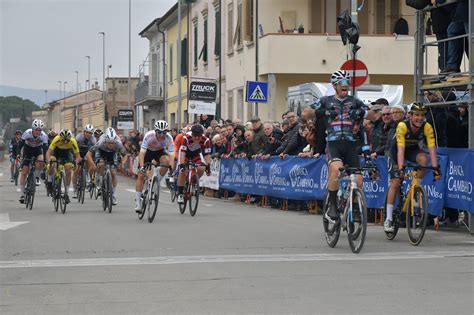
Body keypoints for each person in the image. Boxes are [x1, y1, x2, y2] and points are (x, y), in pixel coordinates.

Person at [314, 70, 376, 225]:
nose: (345, 86)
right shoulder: (325, 100)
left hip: (350, 144)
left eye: (347, 83)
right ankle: (333, 206)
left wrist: (361, 112)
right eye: (342, 84)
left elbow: (374, 116)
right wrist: (324, 111)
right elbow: (307, 113)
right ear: (334, 86)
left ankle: (354, 207)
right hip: (333, 143)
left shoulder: (354, 101)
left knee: (359, 179)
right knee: (336, 169)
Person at [384, 103, 441, 232]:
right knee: (396, 182)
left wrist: (435, 167)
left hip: (413, 150)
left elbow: (432, 148)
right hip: (395, 151)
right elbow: (400, 150)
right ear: (410, 115)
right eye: (416, 115)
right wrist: (400, 168)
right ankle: (388, 219)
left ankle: (415, 187)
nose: (420, 118)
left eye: (422, 115)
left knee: (424, 159)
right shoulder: (403, 126)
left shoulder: (427, 126)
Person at [134, 120, 173, 212]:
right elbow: (142, 153)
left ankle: (156, 182)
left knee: (166, 162)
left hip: (159, 151)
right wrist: (142, 166)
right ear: (155, 131)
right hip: (147, 151)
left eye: (164, 132)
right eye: (159, 132)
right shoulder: (149, 136)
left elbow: (171, 154)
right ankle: (138, 202)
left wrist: (171, 167)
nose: (161, 135)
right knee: (141, 175)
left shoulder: (169, 138)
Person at [86, 127, 125, 205]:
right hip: (101, 152)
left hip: (112, 153)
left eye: (112, 143)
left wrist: (122, 164)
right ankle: (100, 182)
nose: (111, 145)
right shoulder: (100, 142)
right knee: (101, 163)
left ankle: (113, 195)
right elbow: (88, 155)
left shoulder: (118, 143)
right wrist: (93, 165)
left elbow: (125, 155)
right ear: (105, 141)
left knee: (113, 173)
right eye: (109, 143)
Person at [176, 124, 211, 204]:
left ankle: (194, 181)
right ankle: (180, 193)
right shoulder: (186, 138)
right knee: (182, 171)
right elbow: (183, 152)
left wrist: (208, 167)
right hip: (185, 154)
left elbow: (207, 155)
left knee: (202, 167)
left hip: (196, 154)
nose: (197, 138)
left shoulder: (206, 140)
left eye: (199, 136)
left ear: (202, 134)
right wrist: (182, 165)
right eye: (195, 136)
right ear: (192, 134)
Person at [46, 129, 81, 204]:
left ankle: (66, 193)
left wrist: (75, 163)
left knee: (68, 170)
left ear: (70, 138)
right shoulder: (56, 139)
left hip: (67, 153)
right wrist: (49, 161)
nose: (65, 142)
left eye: (67, 140)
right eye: (63, 140)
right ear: (60, 137)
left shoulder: (73, 141)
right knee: (52, 163)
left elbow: (78, 156)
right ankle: (49, 181)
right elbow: (49, 152)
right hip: (56, 152)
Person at [18, 120, 48, 203]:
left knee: (41, 160)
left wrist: (45, 160)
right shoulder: (27, 133)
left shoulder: (43, 136)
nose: (38, 132)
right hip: (27, 150)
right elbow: (20, 145)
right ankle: (22, 195)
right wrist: (18, 154)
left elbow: (45, 149)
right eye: (36, 130)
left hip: (38, 150)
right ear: (32, 129)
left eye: (40, 130)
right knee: (24, 172)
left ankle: (37, 177)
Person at [72, 124, 96, 198]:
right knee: (76, 170)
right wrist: (77, 157)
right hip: (78, 152)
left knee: (90, 164)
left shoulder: (93, 140)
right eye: (87, 132)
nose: (88, 134)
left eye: (90, 133)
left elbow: (94, 151)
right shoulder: (79, 137)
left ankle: (88, 177)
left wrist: (91, 159)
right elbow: (73, 148)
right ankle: (75, 189)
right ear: (84, 132)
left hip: (88, 153)